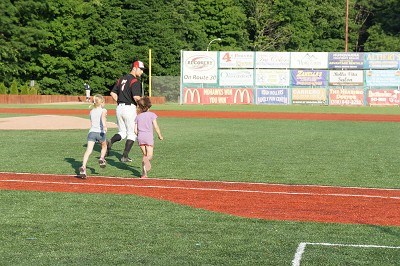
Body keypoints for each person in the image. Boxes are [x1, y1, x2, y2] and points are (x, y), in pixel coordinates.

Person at [106, 60, 145, 162]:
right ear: (135, 68)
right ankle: (124, 156)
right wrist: (144, 106)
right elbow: (136, 97)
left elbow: (112, 93)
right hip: (129, 108)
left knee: (122, 132)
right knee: (132, 134)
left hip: (119, 108)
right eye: (141, 69)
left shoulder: (121, 79)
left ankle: (110, 141)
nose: (142, 72)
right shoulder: (135, 81)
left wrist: (120, 101)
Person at [79, 94, 108, 179]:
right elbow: (102, 118)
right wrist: (105, 126)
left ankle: (83, 167)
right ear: (102, 102)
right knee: (104, 146)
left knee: (88, 150)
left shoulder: (91, 111)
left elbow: (92, 122)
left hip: (91, 132)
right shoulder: (103, 110)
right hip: (100, 132)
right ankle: (102, 158)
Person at [134, 96, 163, 178]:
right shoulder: (152, 115)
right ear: (148, 106)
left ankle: (144, 174)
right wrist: (160, 135)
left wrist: (139, 135)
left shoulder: (138, 116)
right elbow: (156, 126)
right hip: (148, 137)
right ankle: (146, 162)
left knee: (145, 155)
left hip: (140, 137)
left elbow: (135, 130)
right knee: (149, 156)